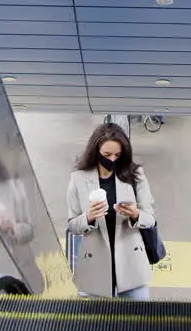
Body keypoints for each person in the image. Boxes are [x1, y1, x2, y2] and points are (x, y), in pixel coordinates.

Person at [66, 123, 157, 299]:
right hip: (94, 267)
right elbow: (72, 226)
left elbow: (150, 219)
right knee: (95, 325)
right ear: (95, 151)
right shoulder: (78, 178)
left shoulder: (135, 175)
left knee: (138, 324)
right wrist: (89, 217)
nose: (113, 160)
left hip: (132, 266)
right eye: (107, 155)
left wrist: (135, 214)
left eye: (118, 155)